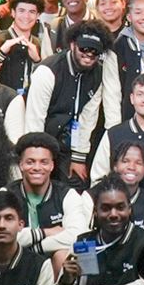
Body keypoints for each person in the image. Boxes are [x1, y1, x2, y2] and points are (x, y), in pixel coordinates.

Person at [26, 21, 111, 177]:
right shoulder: (47, 72)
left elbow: (88, 117)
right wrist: (38, 159)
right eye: (84, 48)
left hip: (70, 144)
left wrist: (79, 157)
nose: (89, 54)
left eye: (95, 50)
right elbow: (35, 119)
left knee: (78, 182)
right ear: (72, 45)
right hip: (42, 139)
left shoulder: (99, 74)